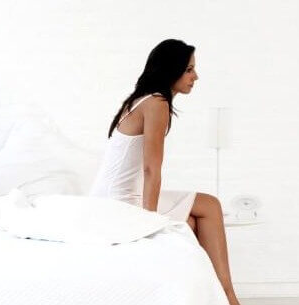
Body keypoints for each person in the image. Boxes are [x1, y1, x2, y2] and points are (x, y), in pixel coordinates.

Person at [90, 39, 241, 305]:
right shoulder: (156, 102)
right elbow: (151, 168)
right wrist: (147, 220)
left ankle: (206, 295)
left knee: (194, 221)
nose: (196, 76)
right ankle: (228, 296)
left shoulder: (144, 100)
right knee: (211, 205)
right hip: (118, 201)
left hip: (117, 194)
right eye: (189, 69)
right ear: (171, 70)